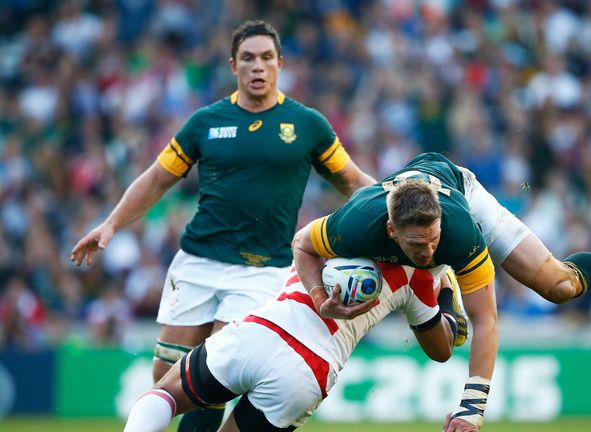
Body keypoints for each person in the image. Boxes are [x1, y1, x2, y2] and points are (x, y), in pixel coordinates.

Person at [70, 19, 375, 432]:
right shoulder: (206, 122)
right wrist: (111, 224)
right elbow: (158, 178)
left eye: (266, 58)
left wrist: (395, 207)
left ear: (280, 63)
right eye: (248, 58)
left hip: (261, 269)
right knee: (167, 370)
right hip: (197, 261)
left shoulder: (306, 125)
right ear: (233, 65)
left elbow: (353, 181)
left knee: (215, 372)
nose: (257, 66)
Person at [291, 152, 591, 432]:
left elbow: (487, 320)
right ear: (393, 232)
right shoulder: (354, 224)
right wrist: (316, 296)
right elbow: (302, 245)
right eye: (419, 246)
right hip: (397, 216)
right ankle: (444, 294)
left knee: (559, 286)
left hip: (461, 192)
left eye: (433, 242)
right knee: (439, 348)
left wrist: (473, 409)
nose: (428, 250)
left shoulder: (460, 234)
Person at [123, 262, 461, 431]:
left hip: (264, 330)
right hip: (308, 372)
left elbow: (302, 241)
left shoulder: (341, 227)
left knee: (166, 393)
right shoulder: (420, 279)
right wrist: (445, 293)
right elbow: (443, 347)